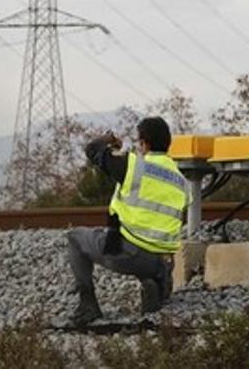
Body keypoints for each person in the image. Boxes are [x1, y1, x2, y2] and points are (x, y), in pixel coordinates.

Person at [65, 116, 187, 326]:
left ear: (144, 143)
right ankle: (156, 283)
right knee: (148, 247)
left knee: (75, 238)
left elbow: (92, 149)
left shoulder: (134, 166)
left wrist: (109, 140)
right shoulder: (181, 180)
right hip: (162, 259)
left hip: (127, 253)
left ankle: (88, 307)